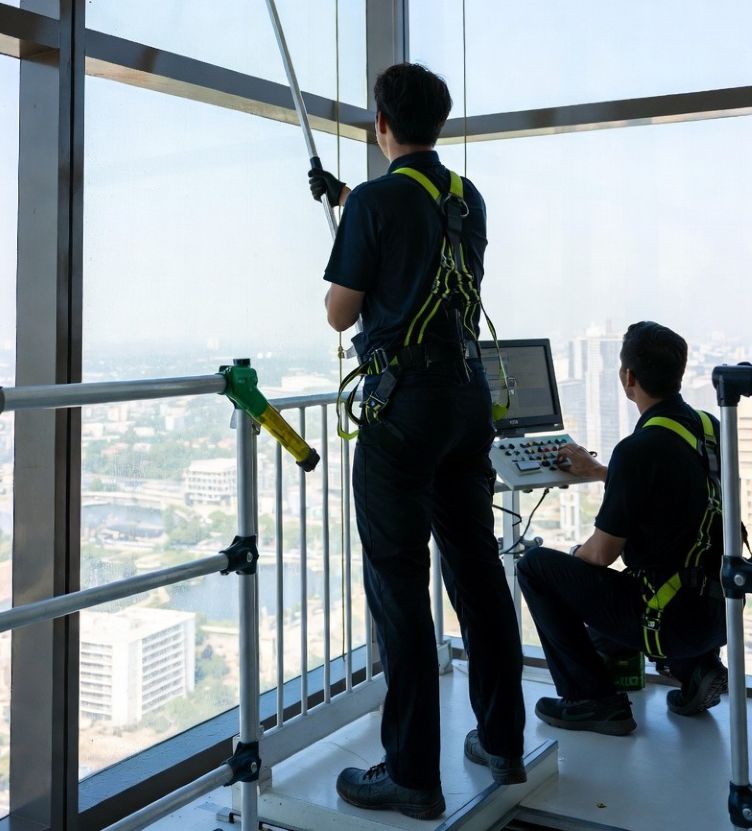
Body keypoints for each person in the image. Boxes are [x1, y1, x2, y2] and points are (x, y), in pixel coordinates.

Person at [309, 63, 526, 819]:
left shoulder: (375, 202)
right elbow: (421, 242)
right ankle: (503, 740)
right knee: (474, 568)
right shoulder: (466, 198)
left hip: (404, 411)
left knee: (398, 584)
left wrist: (350, 211)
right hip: (467, 400)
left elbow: (343, 312)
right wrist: (347, 201)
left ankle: (411, 773)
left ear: (381, 124)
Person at [517, 321, 727, 736]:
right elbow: (668, 490)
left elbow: (600, 555)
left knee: (536, 566)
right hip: (717, 612)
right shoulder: (706, 427)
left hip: (666, 617)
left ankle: (592, 701)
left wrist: (575, 555)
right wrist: (597, 471)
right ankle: (697, 668)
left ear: (627, 377)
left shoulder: (638, 449)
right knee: (603, 635)